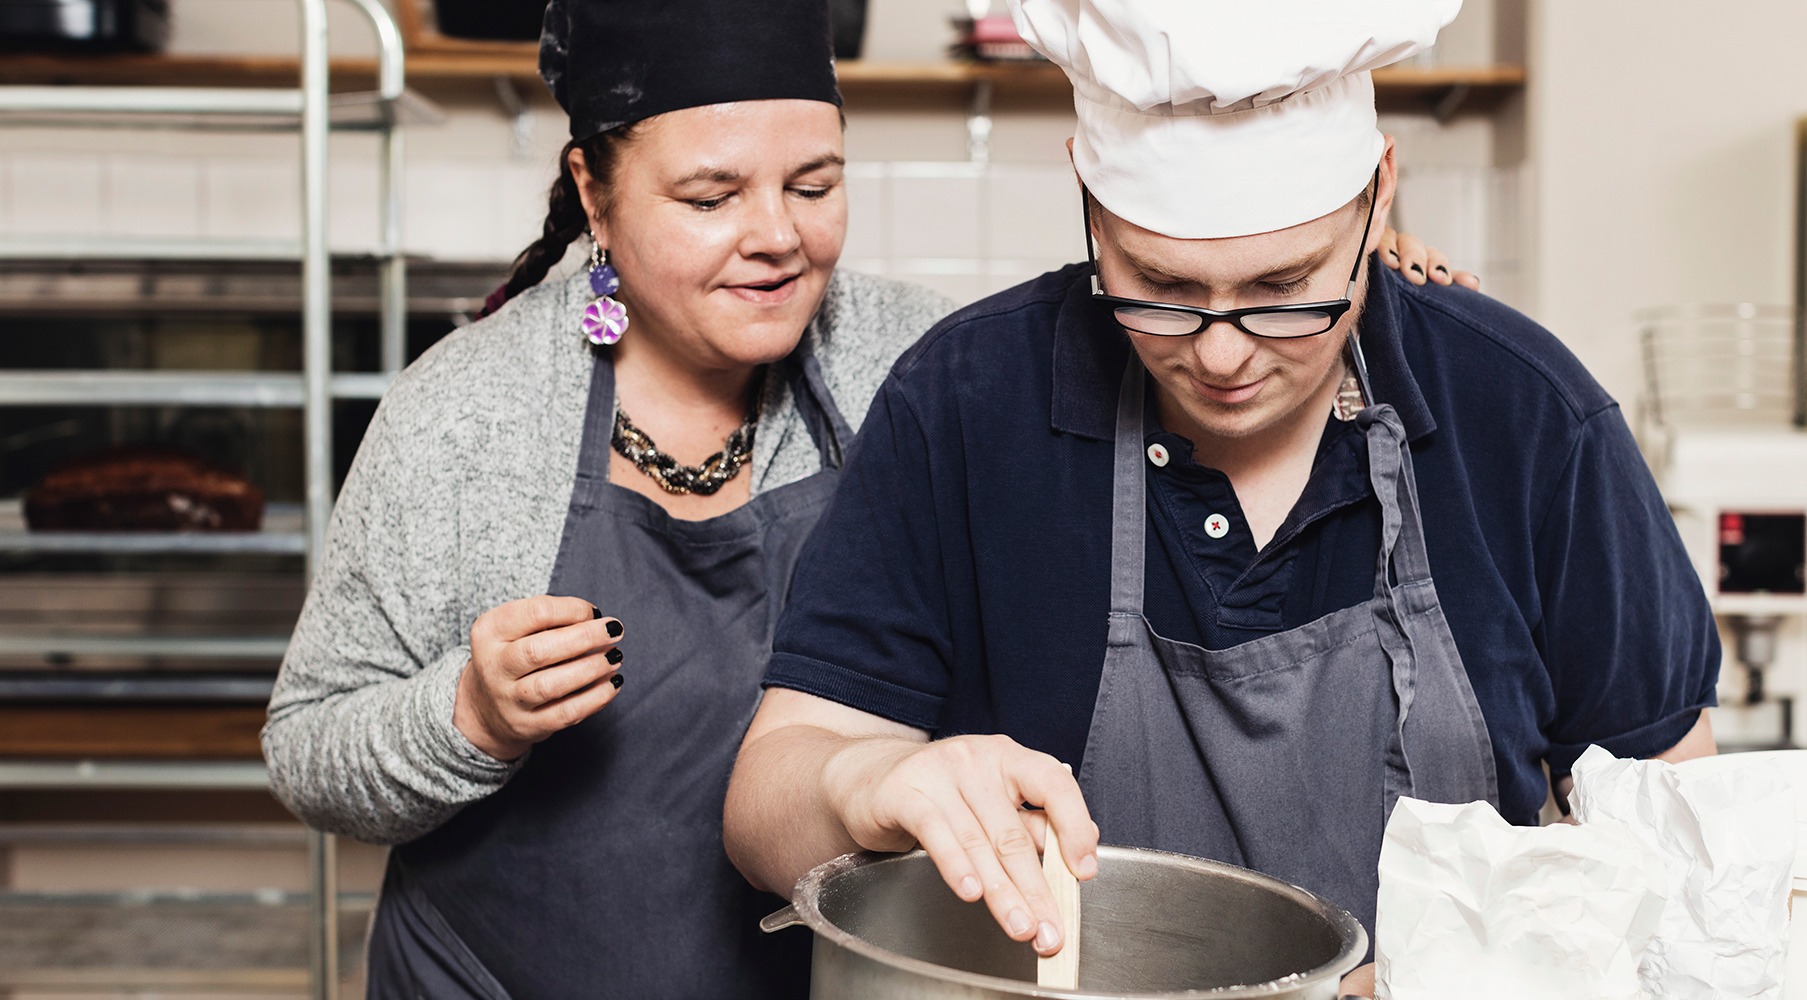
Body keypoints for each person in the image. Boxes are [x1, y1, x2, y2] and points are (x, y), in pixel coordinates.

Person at [261, 0, 1470, 994]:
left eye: (814, 182)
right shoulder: (468, 418)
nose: (774, 235)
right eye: (709, 196)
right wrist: (467, 715)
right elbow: (308, 745)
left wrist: (1349, 281)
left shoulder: (911, 357)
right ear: (593, 188)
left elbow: (1124, 326)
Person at [721, 0, 1721, 995]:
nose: (1222, 353)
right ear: (1085, 197)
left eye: (1285, 289)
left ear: (1378, 197)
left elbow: (1673, 826)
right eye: (1159, 286)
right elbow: (768, 801)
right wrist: (861, 779)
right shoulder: (967, 403)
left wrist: (1497, 967)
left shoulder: (1524, 415)